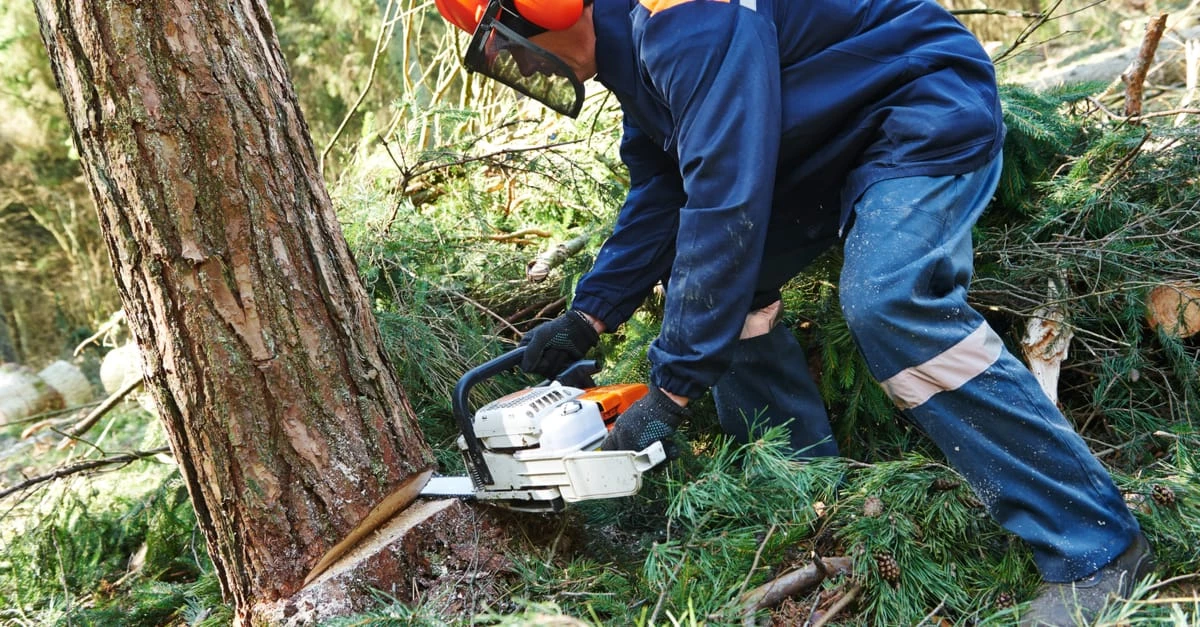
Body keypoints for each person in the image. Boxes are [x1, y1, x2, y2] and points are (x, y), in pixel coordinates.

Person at [434, 0, 1154, 623]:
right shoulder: (637, 47)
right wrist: (589, 316)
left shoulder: (683, 19)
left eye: (503, 43)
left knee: (889, 302)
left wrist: (673, 389)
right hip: (827, 147)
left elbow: (722, 201)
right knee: (732, 289)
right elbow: (663, 187)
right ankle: (809, 494)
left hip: (920, 107)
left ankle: (1093, 541)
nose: (516, 68)